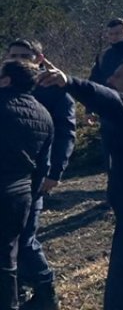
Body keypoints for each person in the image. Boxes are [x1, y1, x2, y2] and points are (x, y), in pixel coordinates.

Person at [37, 58, 123, 310]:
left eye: (118, 76)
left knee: (122, 291)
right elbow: (107, 102)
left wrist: (68, 81)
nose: (110, 80)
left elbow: (112, 101)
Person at [7, 41, 73, 310]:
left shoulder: (56, 92)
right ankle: (18, 289)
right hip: (10, 177)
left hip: (34, 177)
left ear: (40, 59)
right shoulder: (6, 85)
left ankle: (47, 292)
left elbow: (65, 135)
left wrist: (54, 172)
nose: (19, 60)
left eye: (25, 56)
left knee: (25, 239)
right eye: (14, 56)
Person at [1, 60, 53, 310]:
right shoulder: (44, 114)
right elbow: (43, 164)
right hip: (21, 194)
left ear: (7, 80)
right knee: (7, 257)